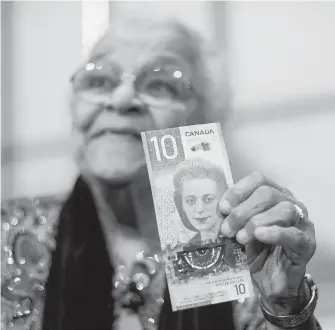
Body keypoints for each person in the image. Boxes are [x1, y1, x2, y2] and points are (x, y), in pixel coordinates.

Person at [34, 14, 321, 330]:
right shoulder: (11, 236)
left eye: (160, 85)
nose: (121, 99)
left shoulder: (248, 256)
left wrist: (285, 305)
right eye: (99, 81)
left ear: (206, 121)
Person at [173, 158, 228, 245]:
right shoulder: (187, 247)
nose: (199, 209)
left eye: (208, 199)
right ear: (182, 205)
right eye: (190, 201)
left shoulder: (240, 239)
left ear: (222, 198)